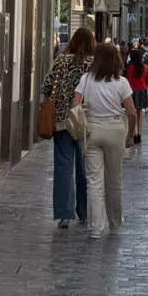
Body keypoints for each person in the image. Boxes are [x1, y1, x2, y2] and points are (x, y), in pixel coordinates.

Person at [72, 43, 137, 239]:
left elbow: (75, 105)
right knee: (114, 179)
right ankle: (115, 222)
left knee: (94, 181)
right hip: (115, 129)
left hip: (91, 129)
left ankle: (95, 228)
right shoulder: (122, 82)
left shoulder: (86, 79)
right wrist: (130, 135)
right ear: (116, 60)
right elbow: (132, 113)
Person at [40, 27, 96, 228]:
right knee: (85, 168)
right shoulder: (94, 64)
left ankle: (64, 214)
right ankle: (84, 211)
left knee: (63, 166)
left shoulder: (61, 61)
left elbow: (46, 86)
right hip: (87, 122)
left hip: (63, 121)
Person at [124, 48, 148, 144]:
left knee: (131, 113)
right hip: (142, 91)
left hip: (131, 91)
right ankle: (139, 133)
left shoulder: (129, 68)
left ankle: (134, 133)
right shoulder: (144, 67)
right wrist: (145, 84)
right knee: (140, 112)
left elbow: (127, 80)